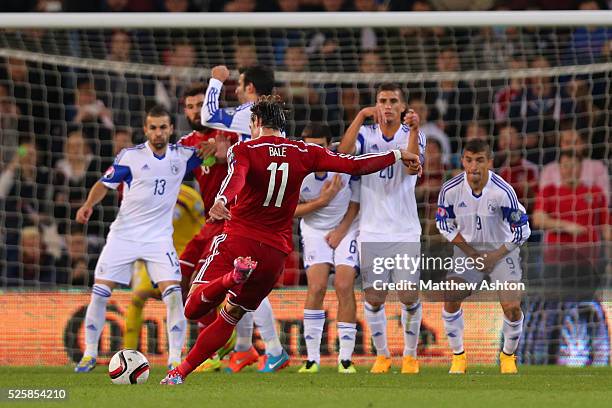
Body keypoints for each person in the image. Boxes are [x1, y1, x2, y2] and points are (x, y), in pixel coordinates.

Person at [160, 96, 421, 385]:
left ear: (256, 123)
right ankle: (179, 373)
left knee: (193, 307)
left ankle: (231, 278)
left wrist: (223, 199)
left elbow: (236, 178)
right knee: (231, 315)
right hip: (273, 254)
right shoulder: (304, 151)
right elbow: (354, 165)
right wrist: (396, 155)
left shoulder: (244, 149)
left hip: (239, 240)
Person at [73, 105, 202, 372]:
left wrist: (215, 148)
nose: (158, 133)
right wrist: (88, 205)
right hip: (124, 236)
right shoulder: (130, 157)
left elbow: (211, 154)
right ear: (145, 130)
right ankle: (89, 354)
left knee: (174, 294)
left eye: (163, 127)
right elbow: (103, 184)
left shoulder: (183, 156)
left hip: (159, 240)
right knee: (99, 292)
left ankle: (175, 359)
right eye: (153, 128)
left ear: (170, 129)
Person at [197, 66, 290, 373]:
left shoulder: (250, 112)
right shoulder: (276, 119)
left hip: (249, 208)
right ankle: (243, 348)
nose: (235, 89)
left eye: (238, 85)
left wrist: (216, 79)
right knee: (243, 276)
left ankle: (274, 350)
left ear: (250, 87)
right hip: (270, 206)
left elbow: (208, 116)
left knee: (246, 278)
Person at [336, 83, 425, 374]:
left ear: (403, 107)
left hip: (404, 229)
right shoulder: (365, 134)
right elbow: (343, 153)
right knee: (374, 298)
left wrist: (412, 130)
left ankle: (410, 355)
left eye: (393, 101)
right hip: (372, 229)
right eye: (382, 101)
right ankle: (383, 354)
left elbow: (413, 166)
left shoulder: (412, 134)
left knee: (409, 295)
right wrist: (361, 115)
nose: (387, 106)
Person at [436, 139, 531, 375]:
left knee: (511, 306)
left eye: (480, 160)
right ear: (462, 161)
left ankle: (508, 356)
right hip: (469, 252)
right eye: (469, 160)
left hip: (501, 251)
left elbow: (523, 230)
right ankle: (458, 357)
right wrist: (472, 253)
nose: (474, 166)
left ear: (489, 162)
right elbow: (443, 224)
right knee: (451, 294)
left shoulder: (503, 191)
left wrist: (494, 256)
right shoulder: (450, 190)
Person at [294, 123, 360, 374]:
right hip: (313, 231)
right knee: (317, 286)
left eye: (320, 147)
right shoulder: (297, 172)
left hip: (346, 228)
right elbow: (291, 211)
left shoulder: (342, 165)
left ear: (328, 146)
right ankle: (312, 359)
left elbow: (356, 201)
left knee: (344, 285)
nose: (314, 152)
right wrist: (323, 200)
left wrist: (342, 230)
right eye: (309, 147)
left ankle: (345, 359)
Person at [123, 184, 206, 356]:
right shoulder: (144, 195)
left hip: (185, 258)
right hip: (153, 256)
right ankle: (127, 354)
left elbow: (204, 229)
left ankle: (208, 353)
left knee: (205, 299)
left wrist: (202, 259)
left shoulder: (189, 197)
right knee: (138, 297)